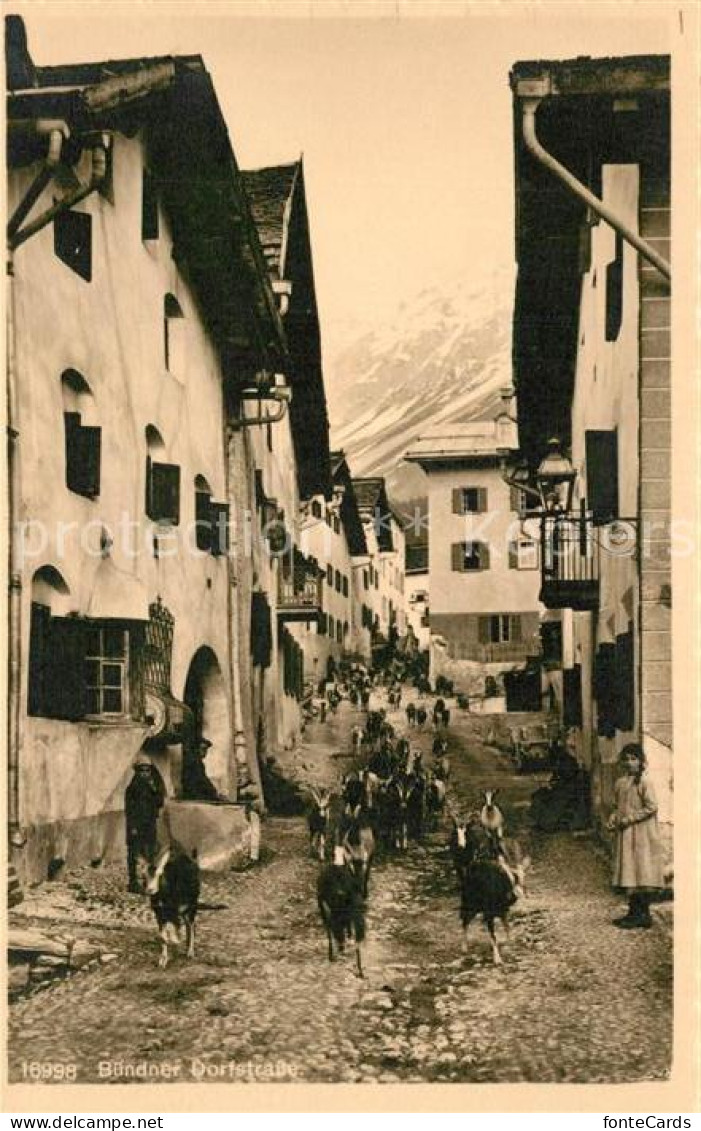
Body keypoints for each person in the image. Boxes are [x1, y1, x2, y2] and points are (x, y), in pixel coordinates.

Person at [607, 743, 664, 929]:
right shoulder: (621, 782)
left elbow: (651, 807)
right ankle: (633, 913)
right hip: (626, 835)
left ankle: (643, 914)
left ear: (641, 762)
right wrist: (613, 818)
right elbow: (617, 806)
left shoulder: (645, 782)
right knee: (630, 873)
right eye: (627, 759)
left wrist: (630, 819)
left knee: (641, 872)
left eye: (634, 759)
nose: (630, 763)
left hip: (642, 836)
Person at [125, 752, 166, 892]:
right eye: (141, 770)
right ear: (137, 772)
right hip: (136, 825)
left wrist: (156, 790)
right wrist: (132, 827)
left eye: (147, 770)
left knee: (148, 854)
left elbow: (159, 804)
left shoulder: (151, 788)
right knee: (135, 854)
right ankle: (133, 881)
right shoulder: (132, 789)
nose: (145, 773)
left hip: (149, 824)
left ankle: (145, 881)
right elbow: (129, 811)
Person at [181, 737, 224, 803]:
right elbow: (202, 780)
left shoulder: (198, 762)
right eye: (203, 749)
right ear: (197, 749)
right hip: (194, 795)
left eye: (206, 750)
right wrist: (213, 792)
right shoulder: (194, 762)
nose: (205, 752)